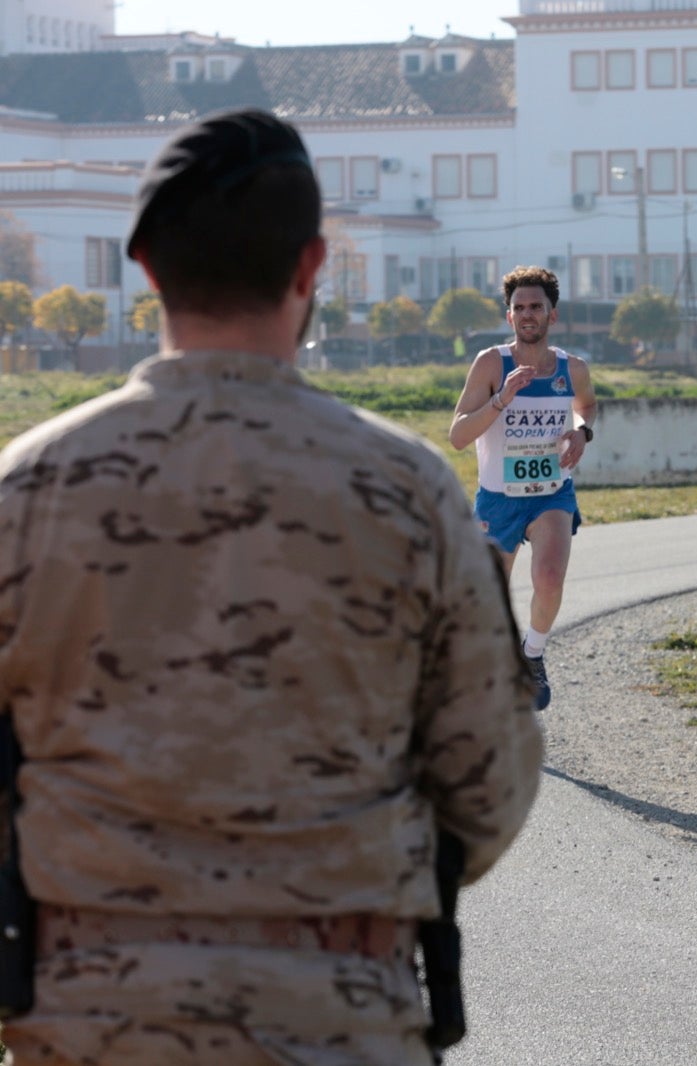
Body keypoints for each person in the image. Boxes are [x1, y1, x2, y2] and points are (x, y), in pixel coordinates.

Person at [0, 108, 544, 1064]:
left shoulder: (28, 489)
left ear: (145, 265)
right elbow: (489, 786)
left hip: (88, 1015)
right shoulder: (407, 490)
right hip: (340, 1013)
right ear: (312, 266)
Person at [450, 266, 597, 709]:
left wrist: (581, 431)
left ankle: (532, 655)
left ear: (553, 314)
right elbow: (458, 435)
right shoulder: (491, 363)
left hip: (552, 492)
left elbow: (586, 405)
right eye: (519, 307)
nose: (527, 314)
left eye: (536, 306)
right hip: (499, 497)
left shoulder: (573, 368)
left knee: (549, 577)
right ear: (509, 316)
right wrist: (500, 400)